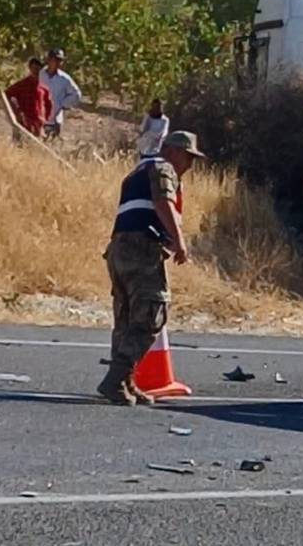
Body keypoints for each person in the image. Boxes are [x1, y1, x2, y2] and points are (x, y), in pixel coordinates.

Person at [98, 130, 206, 405]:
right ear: (173, 151)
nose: (190, 165)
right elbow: (162, 203)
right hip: (141, 248)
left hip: (119, 248)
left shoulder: (138, 171)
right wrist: (180, 242)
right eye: (188, 157)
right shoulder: (163, 168)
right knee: (150, 315)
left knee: (126, 317)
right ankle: (115, 379)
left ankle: (125, 382)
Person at [38, 48, 82, 140]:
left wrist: (62, 104)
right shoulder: (40, 74)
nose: (58, 63)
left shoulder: (64, 79)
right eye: (56, 60)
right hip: (38, 118)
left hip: (54, 121)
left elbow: (76, 94)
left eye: (60, 60)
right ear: (49, 60)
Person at [4, 58, 53, 139]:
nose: (36, 71)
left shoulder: (44, 89)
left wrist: (43, 120)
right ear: (30, 68)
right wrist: (16, 112)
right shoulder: (22, 84)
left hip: (38, 127)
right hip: (24, 124)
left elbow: (49, 106)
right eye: (34, 69)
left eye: (38, 69)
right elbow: (6, 95)